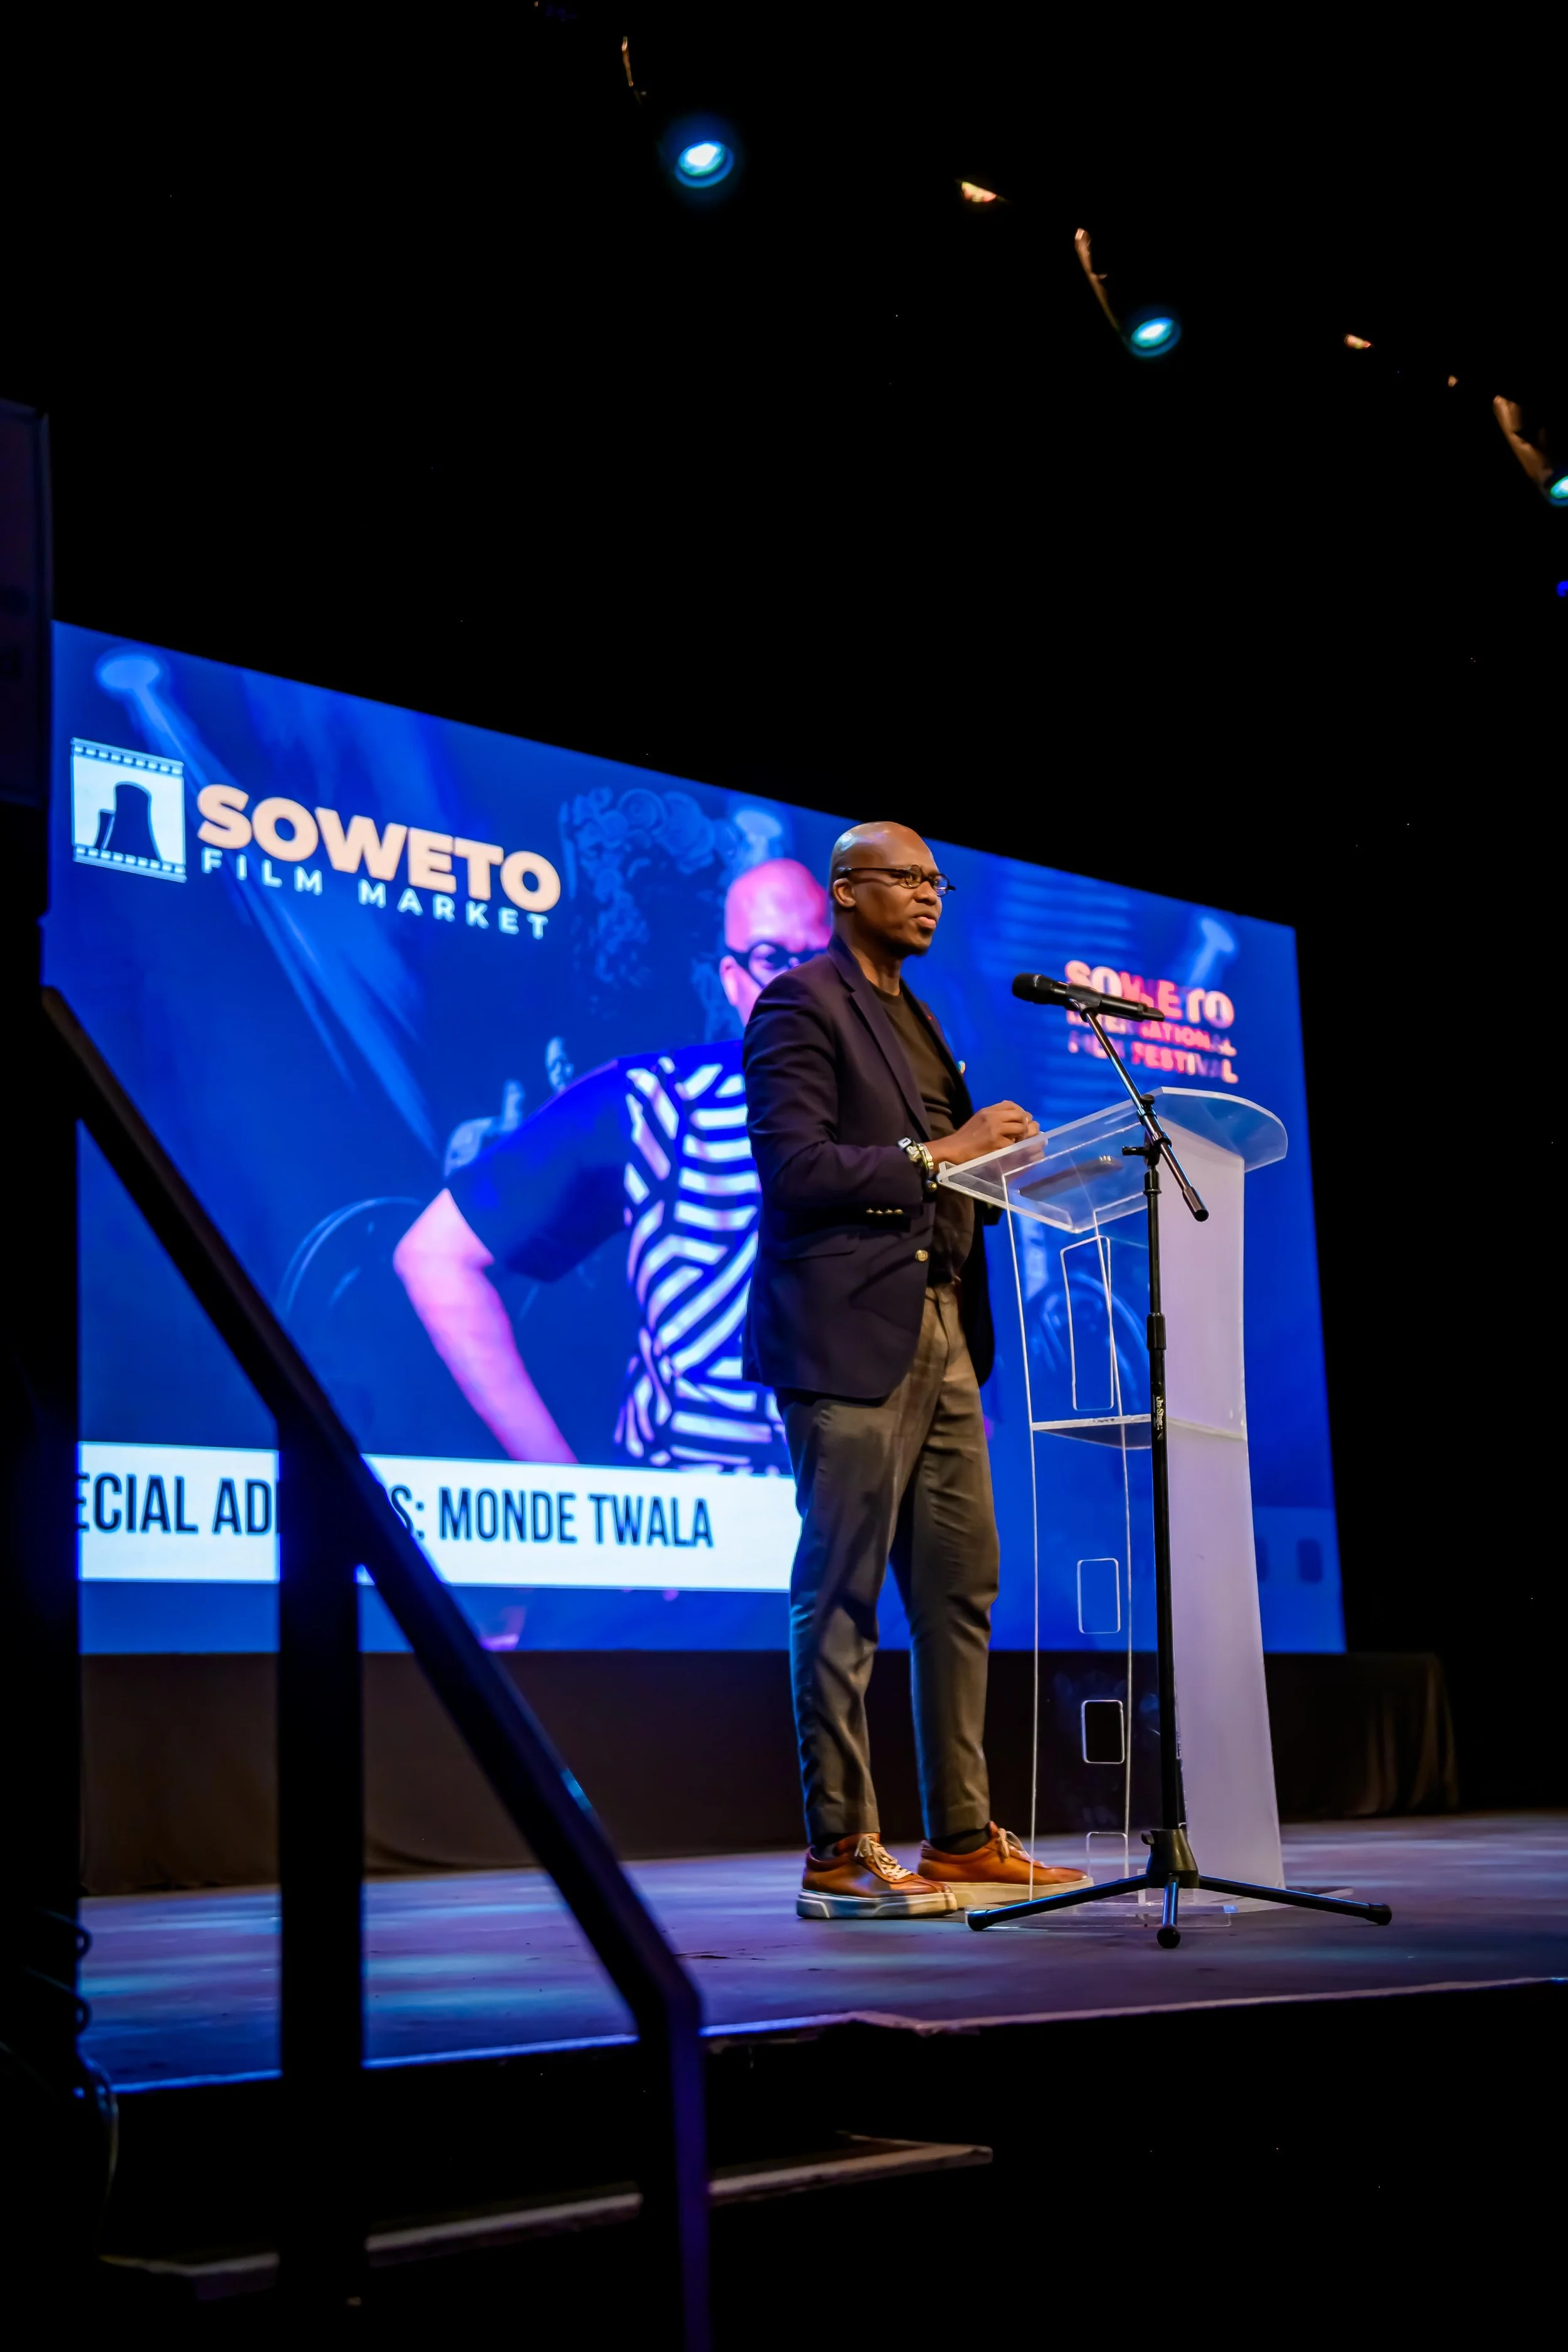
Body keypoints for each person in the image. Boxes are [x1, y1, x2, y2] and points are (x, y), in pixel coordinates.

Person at [743, 820, 1092, 1919]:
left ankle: (959, 1837)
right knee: (841, 1593)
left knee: (960, 1590)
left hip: (943, 1333)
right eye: (907, 878)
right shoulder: (802, 1002)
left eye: (938, 881)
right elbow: (794, 1168)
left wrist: (1005, 1167)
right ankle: (839, 1847)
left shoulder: (926, 1019)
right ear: (848, 893)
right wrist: (942, 1153)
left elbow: (948, 1173)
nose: (931, 895)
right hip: (848, 1334)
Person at [393, 857, 832, 1470]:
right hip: (690, 1525)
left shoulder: (916, 1128)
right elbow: (434, 1255)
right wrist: (574, 1505)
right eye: (771, 958)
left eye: (822, 960)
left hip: (858, 1530)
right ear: (731, 979)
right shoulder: (651, 1103)